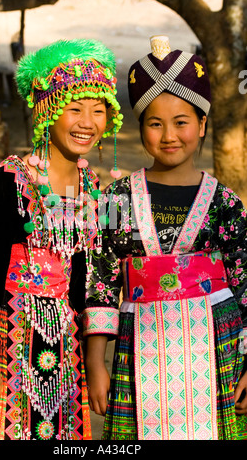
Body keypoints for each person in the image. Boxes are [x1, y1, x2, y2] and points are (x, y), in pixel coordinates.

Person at [0, 38, 123, 440]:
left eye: (98, 111)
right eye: (74, 108)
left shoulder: (94, 188)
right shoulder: (9, 181)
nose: (87, 122)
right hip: (7, 340)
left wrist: (94, 358)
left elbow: (93, 276)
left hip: (64, 350)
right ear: (47, 111)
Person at [83, 35, 247, 440]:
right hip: (138, 347)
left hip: (218, 350)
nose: (169, 135)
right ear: (141, 128)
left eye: (182, 122)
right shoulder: (116, 199)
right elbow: (100, 281)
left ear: (203, 124)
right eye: (155, 123)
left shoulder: (225, 203)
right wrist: (95, 363)